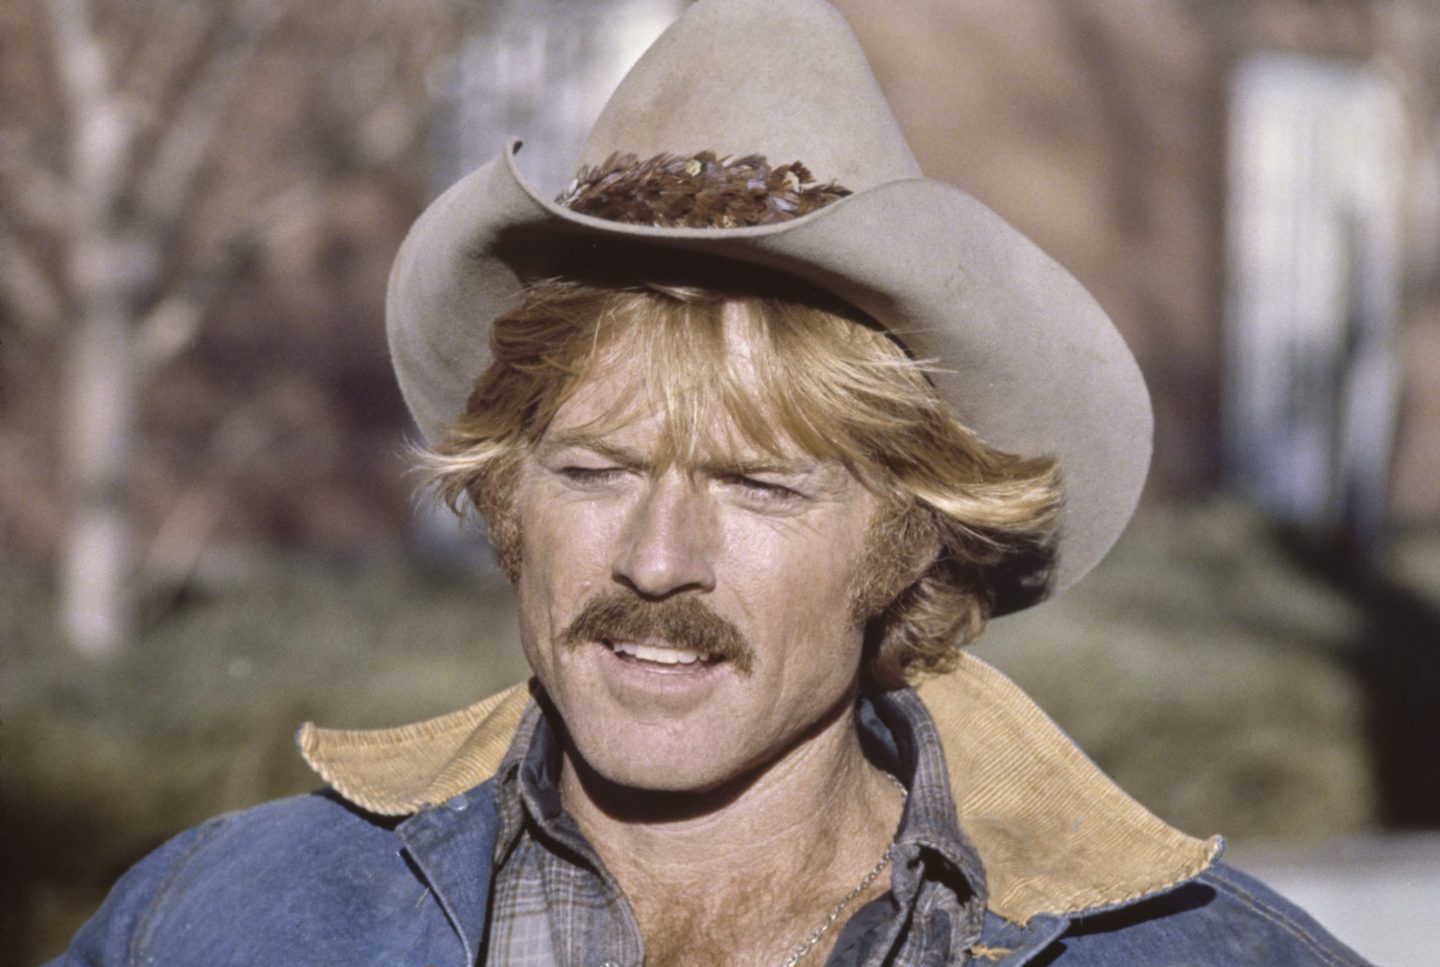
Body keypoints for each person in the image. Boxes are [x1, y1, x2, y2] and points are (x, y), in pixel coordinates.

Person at [53, 0, 1370, 964]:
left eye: (761, 486)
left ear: (913, 538)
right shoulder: (215, 923)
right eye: (595, 468)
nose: (656, 558)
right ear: (509, 500)